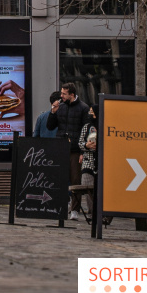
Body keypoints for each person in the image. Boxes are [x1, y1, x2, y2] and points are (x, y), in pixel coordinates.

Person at [46, 82, 90, 220]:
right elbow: (50, 126)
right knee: (59, 178)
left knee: (76, 180)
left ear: (72, 94)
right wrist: (53, 112)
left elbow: (86, 129)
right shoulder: (61, 107)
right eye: (61, 93)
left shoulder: (83, 108)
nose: (61, 96)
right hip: (61, 147)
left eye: (64, 93)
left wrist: (83, 151)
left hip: (75, 149)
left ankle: (75, 210)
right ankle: (61, 205)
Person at [78, 106, 99, 220]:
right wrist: (86, 145)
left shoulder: (104, 125)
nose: (90, 114)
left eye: (92, 112)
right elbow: (80, 142)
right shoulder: (86, 127)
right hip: (88, 160)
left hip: (100, 161)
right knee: (87, 185)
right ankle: (92, 213)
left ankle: (99, 212)